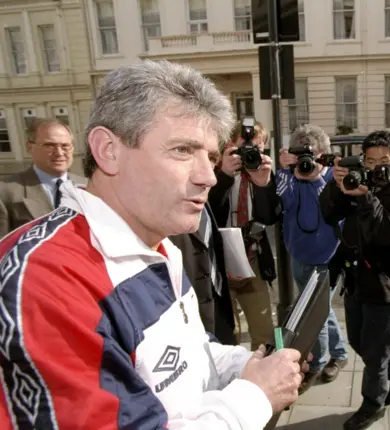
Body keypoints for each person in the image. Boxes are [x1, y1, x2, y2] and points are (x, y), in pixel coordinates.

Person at [0, 60, 305, 429]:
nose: (208, 176)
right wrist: (255, 396)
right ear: (108, 149)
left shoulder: (160, 245)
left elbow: (186, 356)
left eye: (209, 157)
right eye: (182, 150)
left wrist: (244, 367)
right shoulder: (44, 279)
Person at [320, 130, 390, 430]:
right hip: (355, 278)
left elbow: (386, 233)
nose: (376, 167)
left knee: (375, 357)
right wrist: (337, 187)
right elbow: (328, 213)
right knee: (358, 341)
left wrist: (365, 199)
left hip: (384, 284)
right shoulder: (359, 183)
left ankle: (373, 404)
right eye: (370, 160)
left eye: (384, 160)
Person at [276, 124, 349, 392]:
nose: (307, 161)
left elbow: (333, 210)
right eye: (302, 154)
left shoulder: (333, 177)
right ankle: (340, 354)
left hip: (326, 257)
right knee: (322, 310)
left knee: (313, 313)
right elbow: (285, 201)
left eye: (314, 155)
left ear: (324, 155)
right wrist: (287, 170)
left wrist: (317, 177)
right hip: (298, 252)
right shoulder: (290, 176)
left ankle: (317, 364)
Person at [209, 120, 279, 350]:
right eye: (243, 149)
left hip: (252, 258)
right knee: (228, 335)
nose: (249, 154)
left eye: (256, 149)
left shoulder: (265, 173)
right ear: (229, 146)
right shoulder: (214, 173)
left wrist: (263, 185)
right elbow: (207, 215)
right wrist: (224, 176)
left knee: (264, 331)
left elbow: (270, 217)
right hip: (220, 261)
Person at [0, 118, 84, 238]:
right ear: (30, 147)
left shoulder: (89, 187)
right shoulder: (5, 192)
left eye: (65, 146)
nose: (59, 153)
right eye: (50, 145)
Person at [169, 202, 236, 345]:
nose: (211, 179)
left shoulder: (204, 200)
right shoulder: (162, 210)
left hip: (218, 299)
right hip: (190, 313)